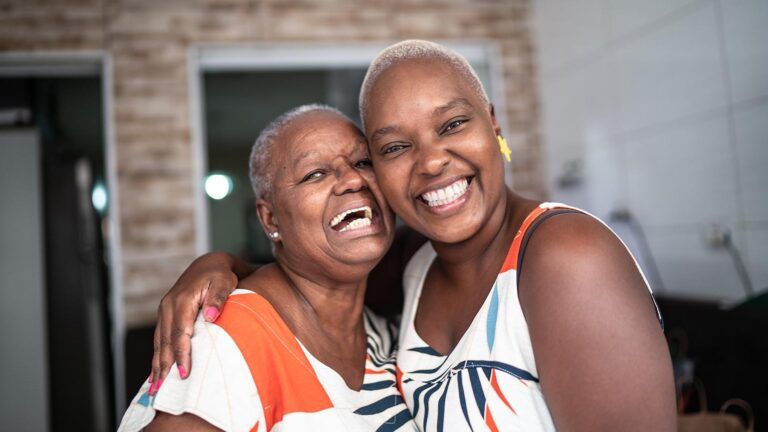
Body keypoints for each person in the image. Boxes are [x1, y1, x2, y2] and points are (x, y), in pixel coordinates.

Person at [149, 41, 676, 431]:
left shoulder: (567, 255)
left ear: (492, 125)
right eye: (395, 148)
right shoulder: (415, 270)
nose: (431, 161)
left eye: (451, 125)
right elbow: (308, 296)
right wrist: (224, 267)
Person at [119, 105, 417, 431]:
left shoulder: (389, 330)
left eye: (363, 162)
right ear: (270, 219)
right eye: (315, 173)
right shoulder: (227, 339)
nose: (353, 179)